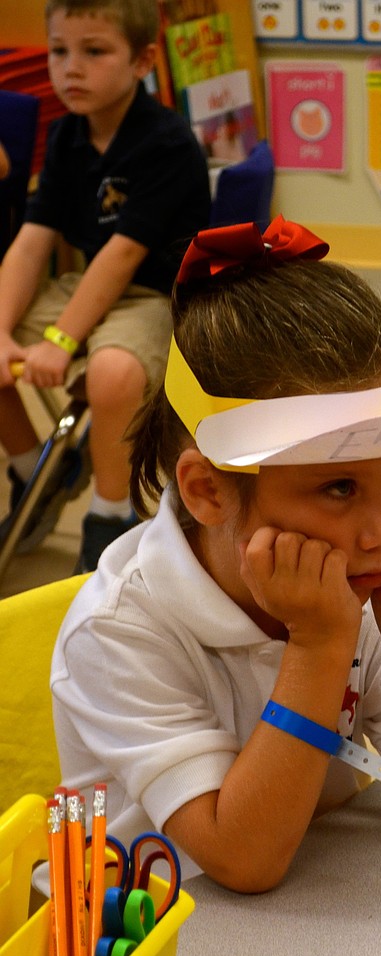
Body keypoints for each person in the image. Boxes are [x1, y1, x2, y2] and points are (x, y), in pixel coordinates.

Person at [50, 217, 381, 893]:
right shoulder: (121, 630)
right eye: (338, 487)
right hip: (165, 942)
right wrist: (321, 645)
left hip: (316, 901)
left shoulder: (354, 578)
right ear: (207, 490)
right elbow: (243, 859)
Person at [0, 0, 210, 572]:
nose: (70, 68)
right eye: (59, 51)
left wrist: (61, 341)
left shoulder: (164, 141)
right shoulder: (68, 133)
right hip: (90, 286)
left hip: (156, 295)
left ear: (143, 60)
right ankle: (35, 476)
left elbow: (121, 257)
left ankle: (111, 515)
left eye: (94, 52)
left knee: (111, 373)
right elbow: (32, 239)